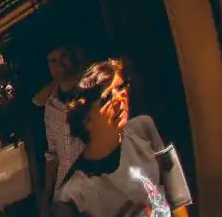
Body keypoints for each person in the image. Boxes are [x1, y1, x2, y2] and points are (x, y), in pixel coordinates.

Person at [56, 58, 191, 217]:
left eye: (121, 88)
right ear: (86, 119)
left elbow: (177, 199)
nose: (119, 99)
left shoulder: (145, 128)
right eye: (107, 98)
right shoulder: (71, 197)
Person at [39, 43, 87, 213]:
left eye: (64, 57)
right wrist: (47, 197)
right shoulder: (50, 106)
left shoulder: (91, 91)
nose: (59, 64)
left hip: (92, 182)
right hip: (65, 193)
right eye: (53, 60)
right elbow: (52, 154)